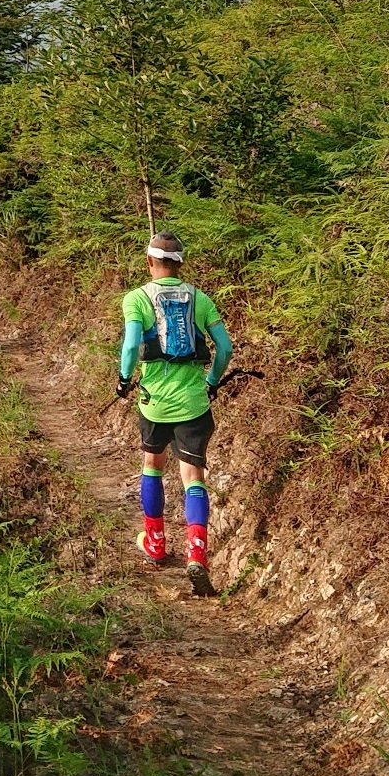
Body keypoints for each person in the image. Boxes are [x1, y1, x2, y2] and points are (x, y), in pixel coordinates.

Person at [117, 232, 233, 597]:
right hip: (194, 403)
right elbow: (225, 348)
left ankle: (155, 542)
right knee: (193, 477)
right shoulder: (201, 299)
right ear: (181, 263)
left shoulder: (136, 298)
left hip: (154, 403)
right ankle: (196, 553)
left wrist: (124, 379)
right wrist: (212, 381)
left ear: (149, 262)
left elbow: (131, 346)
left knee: (153, 465)